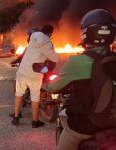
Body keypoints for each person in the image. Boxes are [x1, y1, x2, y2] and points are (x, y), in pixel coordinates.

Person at [42, 9, 116, 149]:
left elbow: (53, 87)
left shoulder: (78, 61)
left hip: (89, 126)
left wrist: (44, 83)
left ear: (86, 33)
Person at [11, 24, 60, 128]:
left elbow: (30, 36)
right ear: (51, 33)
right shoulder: (49, 44)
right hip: (35, 74)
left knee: (18, 93)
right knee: (35, 97)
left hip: (22, 71)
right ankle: (35, 121)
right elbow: (55, 58)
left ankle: (16, 117)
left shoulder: (34, 36)